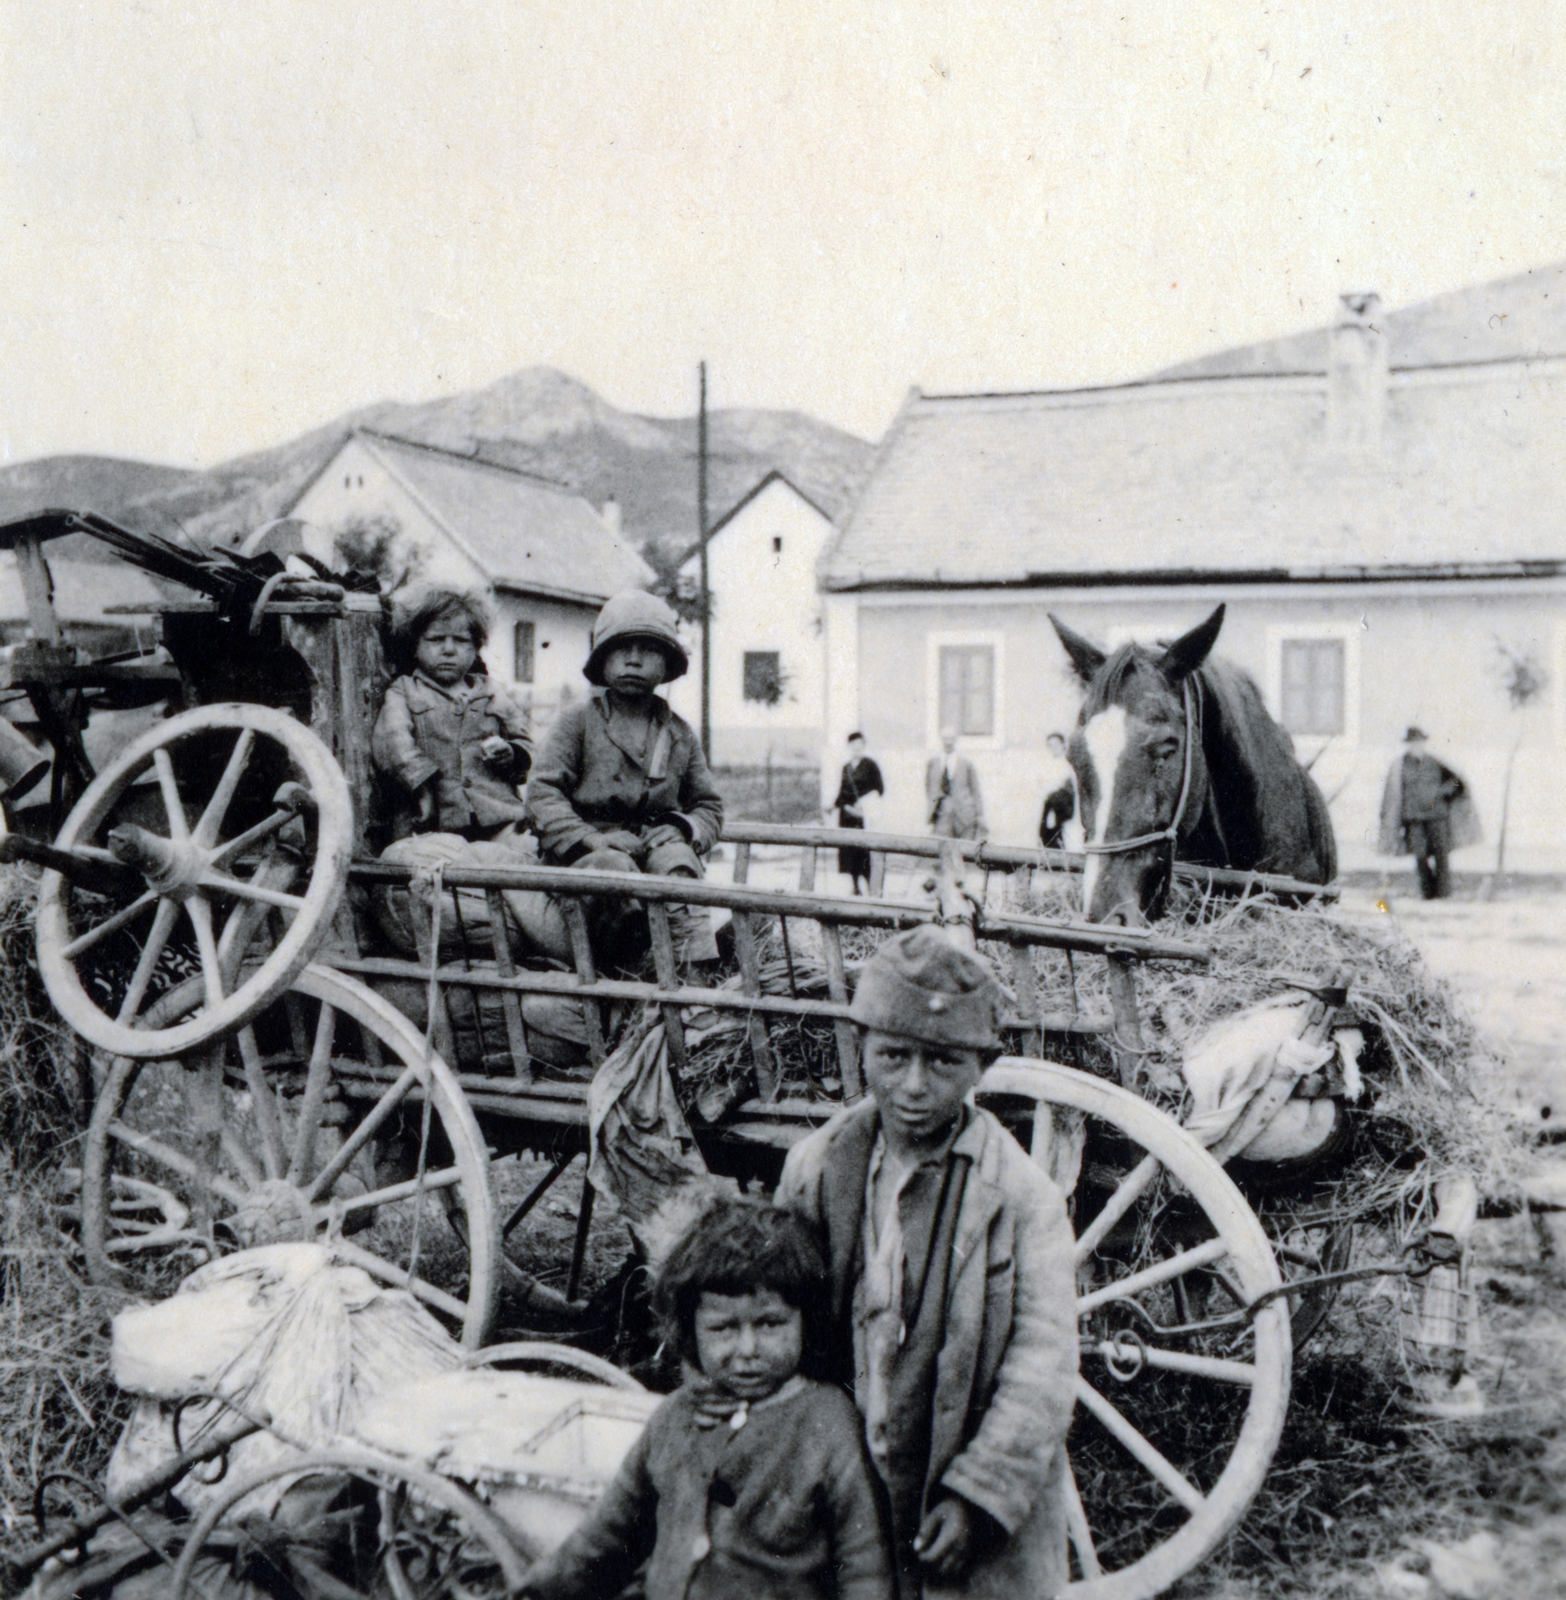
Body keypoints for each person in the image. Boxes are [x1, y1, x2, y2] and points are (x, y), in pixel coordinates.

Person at [776, 927, 1078, 1599]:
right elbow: (783, 1325)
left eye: (942, 1062)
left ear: (981, 1067)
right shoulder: (819, 1169)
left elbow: (1043, 1364)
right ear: (864, 1050)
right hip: (848, 1475)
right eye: (893, 1056)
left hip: (956, 1480)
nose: (913, 1085)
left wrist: (979, 1495)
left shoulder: (1022, 1199)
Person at [520, 1196, 894, 1600]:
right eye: (723, 1329)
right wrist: (539, 1592)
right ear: (691, 1330)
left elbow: (864, 1566)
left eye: (770, 1324)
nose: (748, 1348)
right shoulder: (675, 1417)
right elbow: (609, 1533)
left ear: (806, 1320)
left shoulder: (828, 1424)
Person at [526, 590, 723, 963]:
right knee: (613, 871)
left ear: (667, 664)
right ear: (602, 659)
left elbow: (709, 806)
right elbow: (542, 793)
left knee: (678, 862)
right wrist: (590, 840)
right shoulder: (578, 722)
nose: (634, 660)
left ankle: (691, 976)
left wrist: (683, 828)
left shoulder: (678, 733)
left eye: (648, 649)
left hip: (651, 852)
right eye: (622, 649)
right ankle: (632, 968)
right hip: (585, 861)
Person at [372, 589, 532, 840]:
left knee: (522, 854)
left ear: (475, 648)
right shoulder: (404, 691)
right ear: (415, 646)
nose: (449, 649)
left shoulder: (492, 691)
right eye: (436, 639)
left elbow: (524, 740)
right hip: (432, 819)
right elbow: (393, 743)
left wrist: (510, 754)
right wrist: (421, 788)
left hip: (497, 815)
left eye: (460, 640)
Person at [1378, 726, 1480, 900]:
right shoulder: (1399, 766)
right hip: (1414, 819)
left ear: (1423, 743)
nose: (1416, 746)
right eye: (1412, 743)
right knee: (1420, 856)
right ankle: (1428, 894)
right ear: (1407, 745)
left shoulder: (1435, 762)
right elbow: (1392, 794)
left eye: (1419, 742)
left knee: (1441, 855)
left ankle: (1444, 893)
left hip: (1437, 817)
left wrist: (1443, 793)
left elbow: (1458, 782)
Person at [834, 731, 884, 895]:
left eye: (859, 745)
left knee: (865, 851)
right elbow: (842, 792)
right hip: (847, 815)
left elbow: (879, 789)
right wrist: (835, 805)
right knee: (850, 850)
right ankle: (855, 886)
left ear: (863, 746)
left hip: (864, 816)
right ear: (849, 747)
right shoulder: (846, 767)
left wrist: (864, 804)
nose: (856, 749)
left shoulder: (870, 765)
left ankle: (871, 887)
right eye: (853, 745)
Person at [924, 731, 985, 841]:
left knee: (965, 850)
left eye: (951, 739)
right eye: (945, 739)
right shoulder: (933, 763)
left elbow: (975, 791)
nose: (948, 742)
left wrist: (980, 815)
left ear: (955, 740)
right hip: (942, 815)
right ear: (941, 740)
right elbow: (929, 787)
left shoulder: (966, 764)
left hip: (965, 815)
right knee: (942, 848)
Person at [1037, 732, 1076, 851]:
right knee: (1044, 836)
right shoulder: (1047, 765)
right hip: (1047, 806)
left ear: (1063, 745)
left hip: (1060, 807)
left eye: (1056, 745)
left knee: (1058, 836)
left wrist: (1054, 810)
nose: (1053, 748)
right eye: (1050, 745)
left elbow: (1069, 790)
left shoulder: (1067, 766)